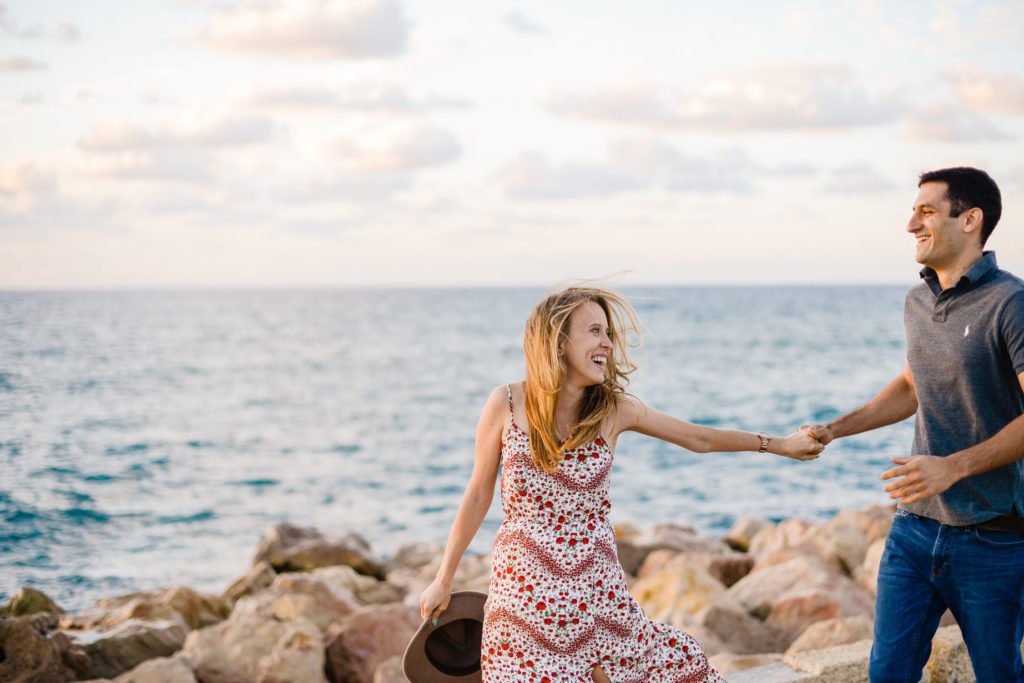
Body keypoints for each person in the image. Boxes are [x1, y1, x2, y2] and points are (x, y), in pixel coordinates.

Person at [418, 286, 823, 683]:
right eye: (594, 331)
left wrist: (780, 445)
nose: (608, 344)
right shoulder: (506, 402)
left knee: (671, 666)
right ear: (558, 342)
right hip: (523, 597)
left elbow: (696, 438)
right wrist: (444, 577)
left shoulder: (613, 410)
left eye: (608, 333)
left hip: (598, 596)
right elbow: (477, 494)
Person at [806, 167, 1024, 681]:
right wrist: (834, 429)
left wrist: (953, 467)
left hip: (993, 538)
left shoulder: (1011, 303)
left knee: (998, 675)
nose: (911, 224)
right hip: (912, 530)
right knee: (887, 673)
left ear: (970, 220)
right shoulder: (917, 301)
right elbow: (910, 385)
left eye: (927, 211)